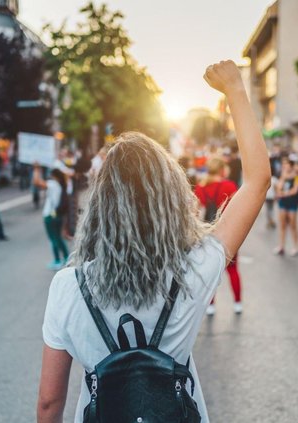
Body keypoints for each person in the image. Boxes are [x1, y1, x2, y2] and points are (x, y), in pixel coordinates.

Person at [37, 60, 271, 423]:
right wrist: (235, 91)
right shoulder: (193, 270)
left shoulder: (68, 287)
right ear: (171, 199)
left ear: (101, 205)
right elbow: (257, 181)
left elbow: (50, 404)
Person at [194, 157, 242, 315]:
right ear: (222, 170)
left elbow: (196, 215)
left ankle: (211, 305)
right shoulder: (229, 185)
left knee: (209, 271)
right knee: (233, 269)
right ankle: (237, 303)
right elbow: (237, 211)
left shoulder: (200, 188)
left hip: (208, 235)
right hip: (229, 232)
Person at [33, 165, 70, 270]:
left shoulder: (53, 184)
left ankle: (57, 260)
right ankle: (67, 258)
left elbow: (36, 182)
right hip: (57, 215)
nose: (49, 177)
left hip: (50, 215)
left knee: (53, 239)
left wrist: (36, 168)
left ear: (55, 176)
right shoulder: (60, 185)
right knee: (58, 238)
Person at [274, 155, 298, 256]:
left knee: (293, 225)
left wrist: (283, 194)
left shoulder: (297, 176)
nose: (285, 166)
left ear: (292, 165)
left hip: (292, 202)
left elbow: (295, 190)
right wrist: (283, 178)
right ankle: (281, 246)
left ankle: (296, 247)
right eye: (283, 164)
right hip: (283, 202)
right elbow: (279, 187)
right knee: (282, 224)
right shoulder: (283, 174)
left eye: (287, 164)